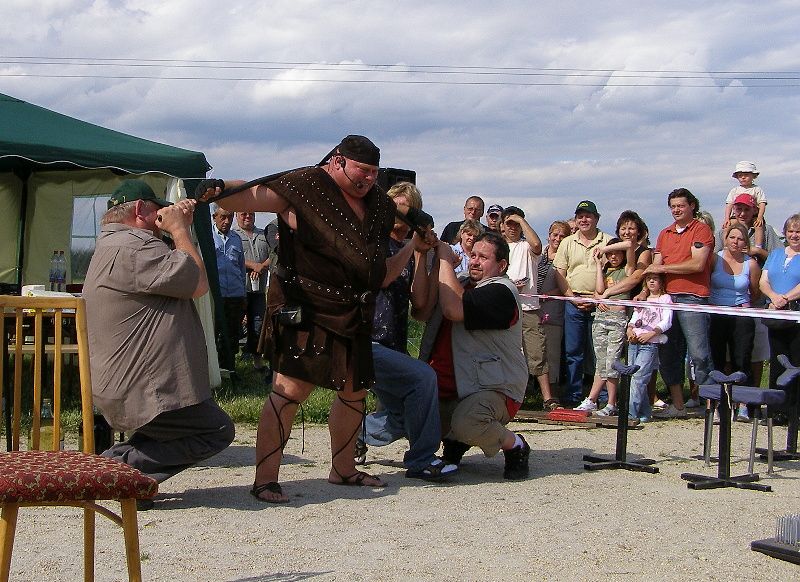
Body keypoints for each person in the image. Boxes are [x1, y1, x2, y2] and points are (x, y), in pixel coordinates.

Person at [211, 135, 433, 503]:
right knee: (289, 392)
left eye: (373, 173)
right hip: (306, 308)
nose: (368, 179)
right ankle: (265, 480)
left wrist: (413, 245)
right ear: (337, 161)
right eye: (362, 171)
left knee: (355, 392)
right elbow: (250, 194)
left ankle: (343, 469)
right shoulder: (305, 185)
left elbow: (381, 275)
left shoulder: (378, 204)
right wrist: (220, 190)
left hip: (354, 311)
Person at [83, 180, 234, 495]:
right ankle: (116, 470)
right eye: (157, 211)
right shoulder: (137, 247)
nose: (162, 218)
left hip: (125, 384)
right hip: (144, 391)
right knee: (215, 430)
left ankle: (129, 481)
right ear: (140, 210)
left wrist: (177, 228)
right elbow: (197, 283)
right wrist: (179, 231)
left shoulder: (113, 244)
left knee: (170, 434)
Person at [358, 182, 458, 481]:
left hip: (393, 344)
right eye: (396, 207)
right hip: (365, 340)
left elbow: (421, 309)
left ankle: (351, 432)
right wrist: (412, 247)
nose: (400, 216)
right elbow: (384, 277)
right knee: (423, 378)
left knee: (402, 418)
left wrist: (426, 255)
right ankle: (422, 459)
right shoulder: (371, 238)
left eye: (407, 210)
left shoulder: (409, 248)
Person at [418, 231, 531, 480]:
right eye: (473, 255)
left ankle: (515, 445)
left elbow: (453, 309)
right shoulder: (459, 282)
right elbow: (420, 311)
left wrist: (444, 259)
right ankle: (456, 439)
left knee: (468, 423)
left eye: (483, 257)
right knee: (410, 415)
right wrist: (424, 255)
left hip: (494, 388)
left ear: (502, 265)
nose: (475, 262)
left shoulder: (502, 291)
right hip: (452, 385)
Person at [645, 188, 715, 419]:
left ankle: (711, 406)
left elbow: (697, 264)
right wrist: (645, 291)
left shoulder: (701, 230)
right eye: (673, 206)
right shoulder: (664, 234)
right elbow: (655, 267)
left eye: (681, 206)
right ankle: (678, 405)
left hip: (693, 297)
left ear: (692, 206)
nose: (676, 210)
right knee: (668, 353)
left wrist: (664, 267)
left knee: (699, 354)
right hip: (667, 299)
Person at [715, 193, 783, 387]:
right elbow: (716, 256)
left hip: (754, 302)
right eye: (739, 209)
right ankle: (725, 395)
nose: (742, 213)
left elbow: (778, 259)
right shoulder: (724, 230)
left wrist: (758, 251)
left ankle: (751, 394)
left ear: (755, 210)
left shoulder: (766, 230)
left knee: (752, 354)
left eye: (747, 209)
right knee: (724, 355)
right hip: (722, 306)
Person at [553, 200, 612, 407]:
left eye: (588, 216)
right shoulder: (567, 242)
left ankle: (602, 397)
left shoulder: (608, 241)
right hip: (573, 302)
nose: (584, 220)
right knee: (573, 352)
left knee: (600, 352)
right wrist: (571, 297)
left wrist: (597, 297)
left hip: (600, 303)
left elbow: (613, 271)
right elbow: (560, 273)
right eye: (580, 216)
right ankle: (573, 395)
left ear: (596, 218)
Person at [500, 206, 552, 407]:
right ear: (502, 226)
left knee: (536, 352)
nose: (512, 228)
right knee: (507, 355)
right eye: (509, 223)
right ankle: (509, 397)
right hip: (505, 307)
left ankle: (547, 398)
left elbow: (537, 245)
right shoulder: (498, 247)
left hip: (528, 307)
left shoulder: (526, 246)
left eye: (516, 224)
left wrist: (521, 220)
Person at [708, 222, 761, 420]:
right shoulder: (715, 258)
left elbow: (755, 292)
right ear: (726, 239)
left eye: (740, 239)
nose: (735, 242)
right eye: (732, 237)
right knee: (717, 358)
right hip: (717, 313)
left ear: (745, 242)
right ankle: (718, 404)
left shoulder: (751, 263)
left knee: (742, 358)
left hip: (741, 314)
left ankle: (744, 404)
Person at [574, 239, 632, 415]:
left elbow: (629, 245)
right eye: (610, 255)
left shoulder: (627, 270)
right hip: (600, 318)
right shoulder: (606, 270)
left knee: (612, 361)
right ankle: (592, 400)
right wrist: (599, 265)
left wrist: (605, 248)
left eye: (616, 253)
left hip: (617, 319)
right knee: (601, 362)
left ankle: (611, 403)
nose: (613, 257)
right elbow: (599, 290)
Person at [759, 213, 800, 420]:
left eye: (798, 232)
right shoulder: (775, 254)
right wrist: (774, 297)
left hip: (796, 315)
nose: (794, 235)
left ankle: (795, 410)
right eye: (791, 231)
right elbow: (763, 281)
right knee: (777, 360)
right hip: (775, 314)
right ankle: (776, 410)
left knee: (796, 361)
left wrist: (786, 297)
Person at [626, 272, 672, 422]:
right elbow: (635, 317)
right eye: (649, 279)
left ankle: (630, 413)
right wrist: (630, 329)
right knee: (634, 377)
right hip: (634, 342)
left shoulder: (665, 298)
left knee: (639, 378)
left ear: (661, 282)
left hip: (650, 344)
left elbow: (667, 321)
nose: (652, 281)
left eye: (655, 279)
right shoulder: (641, 299)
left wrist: (651, 334)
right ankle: (644, 412)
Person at [537, 220, 572, 408]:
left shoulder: (567, 257)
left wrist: (548, 295)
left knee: (552, 353)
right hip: (534, 308)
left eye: (562, 236)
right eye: (555, 234)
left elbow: (569, 285)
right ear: (549, 235)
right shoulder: (539, 254)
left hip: (553, 309)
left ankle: (552, 393)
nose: (557, 239)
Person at [233, 211, 272, 372]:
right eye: (243, 214)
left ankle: (257, 362)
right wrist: (253, 266)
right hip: (238, 290)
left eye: (251, 214)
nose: (247, 216)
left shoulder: (264, 234)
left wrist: (261, 267)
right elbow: (231, 257)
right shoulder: (232, 235)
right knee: (235, 326)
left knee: (258, 326)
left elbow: (274, 254)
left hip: (259, 291)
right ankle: (231, 365)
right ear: (237, 216)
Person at [211, 204, 246, 372]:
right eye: (222, 217)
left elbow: (241, 267)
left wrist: (243, 293)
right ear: (214, 217)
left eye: (230, 217)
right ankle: (216, 368)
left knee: (233, 333)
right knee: (216, 331)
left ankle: (230, 368)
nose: (227, 221)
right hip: (216, 295)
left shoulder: (236, 238)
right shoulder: (208, 237)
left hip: (235, 294)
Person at [722, 161, 767, 233]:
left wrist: (760, 217)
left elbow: (762, 204)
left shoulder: (757, 189)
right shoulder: (734, 191)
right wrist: (727, 218)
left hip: (754, 215)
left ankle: (758, 241)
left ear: (753, 176)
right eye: (740, 176)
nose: (743, 177)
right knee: (728, 226)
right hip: (737, 216)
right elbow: (729, 204)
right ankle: (725, 240)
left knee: (758, 226)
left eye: (746, 175)